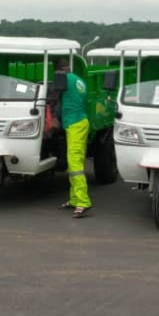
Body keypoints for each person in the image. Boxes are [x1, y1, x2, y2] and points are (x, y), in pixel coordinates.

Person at [55, 56, 92, 218]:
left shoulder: (62, 79)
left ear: (58, 70)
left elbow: (53, 97)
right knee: (75, 163)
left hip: (74, 123)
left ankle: (83, 201)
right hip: (81, 121)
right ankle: (75, 199)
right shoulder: (79, 80)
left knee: (75, 164)